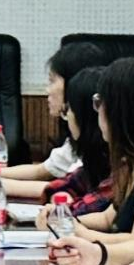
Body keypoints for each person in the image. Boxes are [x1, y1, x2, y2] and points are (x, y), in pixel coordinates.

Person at [48, 58, 134, 265]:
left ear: (122, 112)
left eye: (99, 102)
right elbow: (108, 218)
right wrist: (65, 220)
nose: (97, 110)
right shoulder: (130, 163)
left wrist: (81, 234)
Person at [0, 41, 106, 197]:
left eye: (52, 81)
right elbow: (42, 170)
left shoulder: (102, 146)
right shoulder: (79, 138)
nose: (47, 90)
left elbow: (66, 189)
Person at [34, 66, 112, 225]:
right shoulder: (93, 158)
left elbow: (94, 207)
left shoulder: (120, 162)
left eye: (69, 109)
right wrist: (61, 198)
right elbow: (61, 186)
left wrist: (63, 211)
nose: (67, 116)